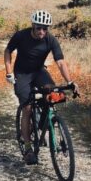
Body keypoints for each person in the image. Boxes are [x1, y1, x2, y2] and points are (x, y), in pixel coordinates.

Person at [4, 10, 76, 165]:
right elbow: (8, 50)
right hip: (22, 74)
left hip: (39, 72)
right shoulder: (21, 36)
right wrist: (9, 72)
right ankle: (28, 148)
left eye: (45, 28)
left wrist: (70, 82)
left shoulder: (50, 40)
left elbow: (61, 62)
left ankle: (43, 124)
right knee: (28, 108)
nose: (42, 31)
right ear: (33, 26)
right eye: (38, 28)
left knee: (52, 94)